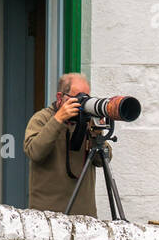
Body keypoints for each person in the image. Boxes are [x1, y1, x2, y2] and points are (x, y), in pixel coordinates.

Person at [24, 72, 106, 217]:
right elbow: (34, 152)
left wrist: (97, 132)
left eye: (86, 97)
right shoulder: (41, 119)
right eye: (78, 97)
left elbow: (102, 160)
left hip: (85, 218)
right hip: (47, 217)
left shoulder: (89, 123)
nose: (82, 102)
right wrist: (58, 119)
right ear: (60, 97)